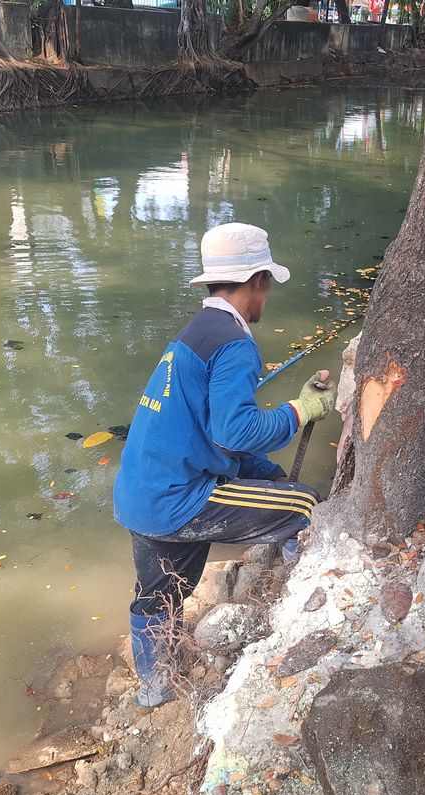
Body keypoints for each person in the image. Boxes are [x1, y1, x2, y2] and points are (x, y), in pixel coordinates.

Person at [112, 222, 338, 708]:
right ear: (257, 280)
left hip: (140, 495)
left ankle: (154, 689)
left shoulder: (192, 335)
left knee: (158, 595)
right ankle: (303, 603)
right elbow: (234, 433)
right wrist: (301, 410)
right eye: (267, 285)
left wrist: (267, 471)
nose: (266, 296)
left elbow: (208, 433)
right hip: (181, 498)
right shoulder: (236, 343)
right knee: (306, 505)